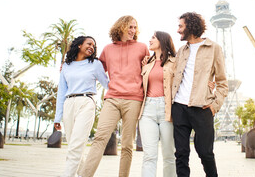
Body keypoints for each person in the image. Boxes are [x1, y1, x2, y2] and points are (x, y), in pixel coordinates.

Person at [79, 15, 149, 177]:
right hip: (112, 99)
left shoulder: (142, 47)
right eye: (130, 27)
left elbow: (151, 68)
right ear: (121, 27)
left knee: (126, 145)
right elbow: (93, 69)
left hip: (134, 99)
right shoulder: (108, 49)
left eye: (134, 27)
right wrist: (70, 65)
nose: (133, 30)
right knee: (99, 139)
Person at [171, 12, 229, 177]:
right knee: (181, 153)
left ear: (191, 26)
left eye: (181, 26)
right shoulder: (181, 50)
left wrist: (214, 105)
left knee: (205, 152)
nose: (178, 30)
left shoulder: (214, 48)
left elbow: (222, 82)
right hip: (179, 107)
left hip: (202, 107)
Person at [54, 36, 109, 177]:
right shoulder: (66, 66)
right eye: (89, 43)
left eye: (94, 46)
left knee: (75, 146)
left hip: (86, 102)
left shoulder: (95, 64)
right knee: (74, 146)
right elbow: (61, 91)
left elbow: (107, 84)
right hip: (68, 103)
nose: (92, 47)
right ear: (79, 45)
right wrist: (57, 117)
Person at [138, 31, 177, 177]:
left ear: (162, 40)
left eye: (153, 37)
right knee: (149, 155)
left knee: (168, 155)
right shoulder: (147, 64)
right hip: (147, 110)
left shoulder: (175, 62)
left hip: (167, 110)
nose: (150, 40)